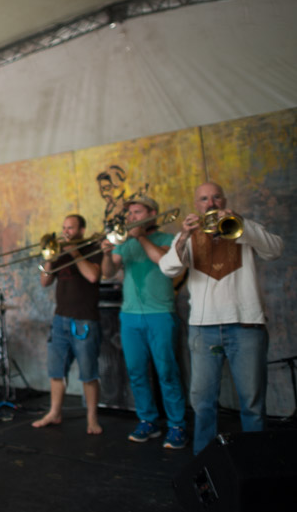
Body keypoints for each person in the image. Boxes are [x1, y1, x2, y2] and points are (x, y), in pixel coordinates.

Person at [158, 182, 283, 455]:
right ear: (196, 205)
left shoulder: (243, 226)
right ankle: (205, 461)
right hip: (204, 330)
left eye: (216, 197)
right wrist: (183, 236)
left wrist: (241, 224)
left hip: (246, 326)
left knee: (252, 403)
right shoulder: (188, 236)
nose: (211, 203)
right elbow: (168, 269)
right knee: (203, 403)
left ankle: (256, 461)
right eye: (204, 199)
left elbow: (275, 250)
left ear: (224, 201)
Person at [100, 196, 187, 449]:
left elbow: (163, 260)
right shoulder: (124, 242)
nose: (131, 218)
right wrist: (106, 253)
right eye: (129, 214)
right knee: (136, 371)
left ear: (152, 213)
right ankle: (147, 420)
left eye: (137, 212)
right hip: (129, 316)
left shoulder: (168, 238)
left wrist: (140, 237)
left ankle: (177, 425)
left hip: (160, 314)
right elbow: (107, 272)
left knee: (167, 371)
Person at [31, 214, 103, 434]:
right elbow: (45, 281)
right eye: (64, 228)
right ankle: (54, 413)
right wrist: (50, 257)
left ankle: (92, 418)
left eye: (70, 228)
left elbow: (93, 276)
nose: (66, 232)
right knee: (56, 371)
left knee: (88, 373)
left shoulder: (93, 248)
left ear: (81, 230)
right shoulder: (58, 252)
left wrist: (75, 253)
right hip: (60, 319)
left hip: (85, 320)